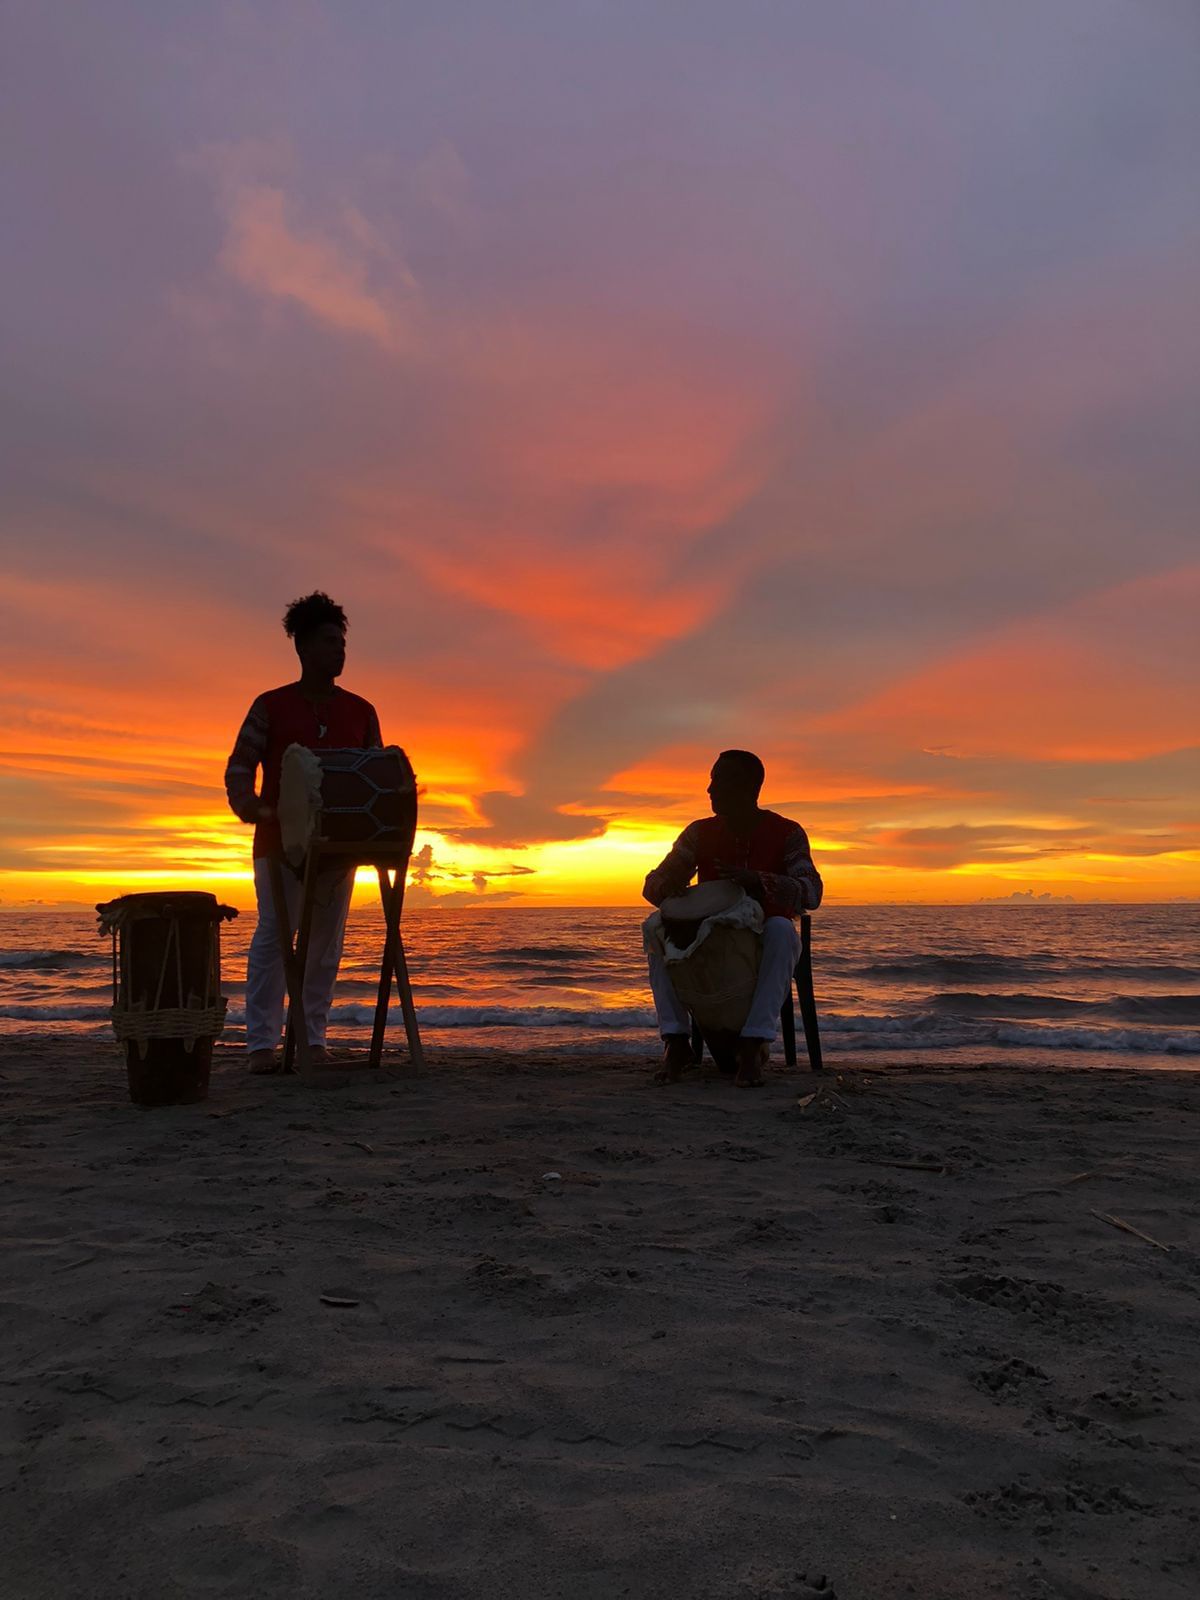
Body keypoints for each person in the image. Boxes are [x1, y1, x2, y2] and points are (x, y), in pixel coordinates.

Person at [224, 592, 383, 1073]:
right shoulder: (270, 706)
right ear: (304, 648)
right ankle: (260, 1047)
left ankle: (313, 1040)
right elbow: (238, 769)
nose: (340, 651)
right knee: (274, 938)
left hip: (338, 852)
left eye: (343, 642)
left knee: (324, 947)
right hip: (279, 848)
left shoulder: (361, 710)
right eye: (331, 641)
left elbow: (374, 775)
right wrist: (255, 809)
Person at [643, 750, 822, 1087]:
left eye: (719, 781)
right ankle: (676, 1041)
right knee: (655, 928)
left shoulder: (788, 833)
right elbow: (651, 885)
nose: (709, 790)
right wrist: (667, 885)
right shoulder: (698, 833)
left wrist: (759, 880)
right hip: (710, 938)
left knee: (783, 930)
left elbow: (812, 892)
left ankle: (753, 1045)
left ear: (749, 787)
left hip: (763, 936)